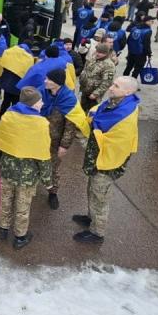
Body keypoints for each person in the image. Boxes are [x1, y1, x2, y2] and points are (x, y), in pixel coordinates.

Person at [73, 76, 140, 244]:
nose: (111, 88)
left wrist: (94, 124)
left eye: (116, 86)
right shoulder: (116, 103)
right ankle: (91, 217)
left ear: (128, 91)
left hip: (107, 164)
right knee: (92, 190)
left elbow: (118, 140)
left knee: (100, 197)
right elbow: (100, 112)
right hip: (98, 159)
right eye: (112, 84)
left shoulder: (125, 113)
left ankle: (97, 232)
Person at [0, 87, 49, 249]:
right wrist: (48, 180)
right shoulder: (41, 123)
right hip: (27, 177)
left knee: (6, 200)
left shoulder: (8, 116)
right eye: (40, 100)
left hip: (7, 171)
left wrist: (1, 162)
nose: (42, 103)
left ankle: (2, 228)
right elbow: (43, 155)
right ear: (33, 104)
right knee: (23, 206)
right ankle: (20, 236)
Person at [39, 69, 89, 209]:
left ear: (58, 83)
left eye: (49, 79)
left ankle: (52, 193)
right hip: (38, 139)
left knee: (52, 168)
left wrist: (64, 146)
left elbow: (70, 126)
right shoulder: (40, 93)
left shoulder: (69, 100)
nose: (45, 81)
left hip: (55, 142)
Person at [78, 40, 115, 112]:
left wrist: (95, 94)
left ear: (106, 53)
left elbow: (107, 82)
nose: (97, 54)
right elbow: (85, 70)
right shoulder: (93, 59)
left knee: (91, 112)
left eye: (100, 53)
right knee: (82, 110)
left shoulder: (109, 65)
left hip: (94, 94)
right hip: (85, 90)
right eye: (97, 51)